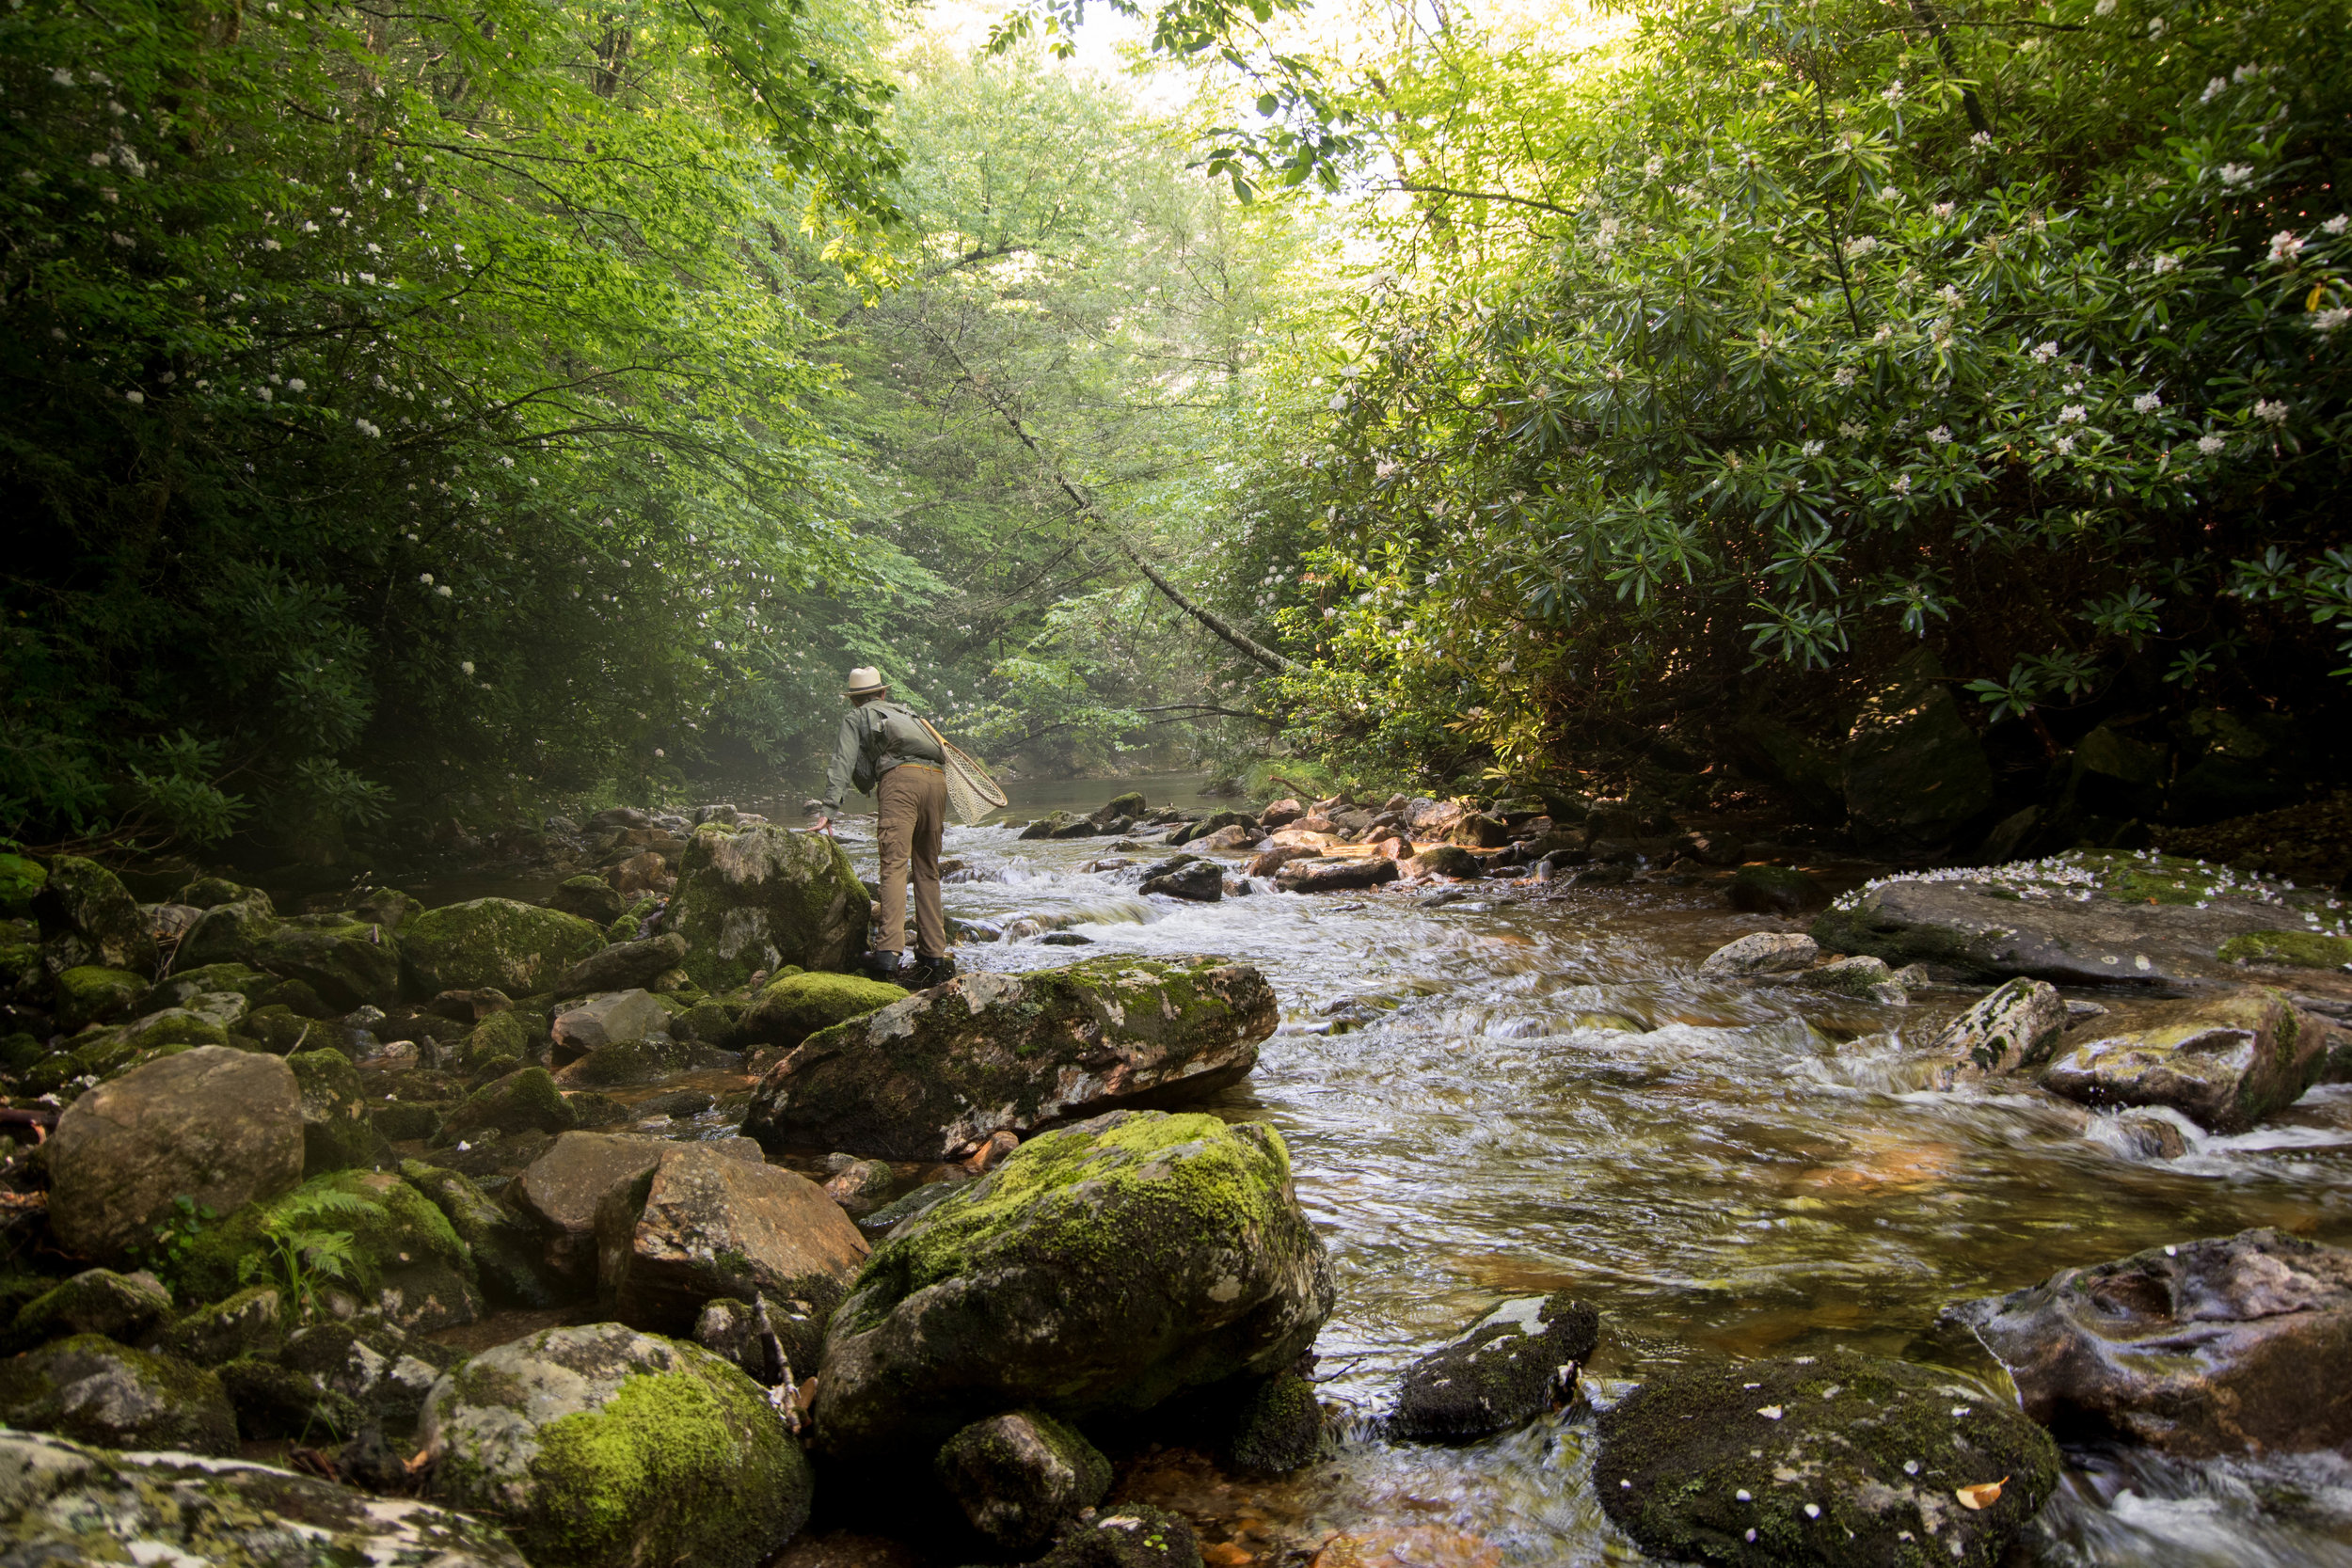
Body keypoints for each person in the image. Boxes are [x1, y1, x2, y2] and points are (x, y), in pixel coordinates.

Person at [810, 666, 956, 988]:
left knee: (893, 866)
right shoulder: (910, 714)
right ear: (883, 693)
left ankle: (888, 951)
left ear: (854, 700)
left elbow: (843, 761)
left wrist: (828, 809)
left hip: (901, 783)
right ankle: (934, 953)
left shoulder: (857, 717)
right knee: (928, 868)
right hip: (936, 782)